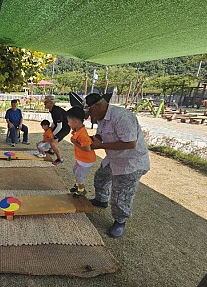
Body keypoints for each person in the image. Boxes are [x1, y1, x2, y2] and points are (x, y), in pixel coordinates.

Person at [86, 93, 150, 238]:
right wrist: (88, 139)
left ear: (99, 106)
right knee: (101, 177)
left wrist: (100, 145)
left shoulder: (122, 117)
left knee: (121, 195)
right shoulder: (102, 118)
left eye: (90, 111)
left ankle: (120, 221)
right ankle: (101, 200)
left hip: (130, 162)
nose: (89, 115)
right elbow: (101, 136)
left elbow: (130, 143)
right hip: (114, 158)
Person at [66, 106, 96, 197]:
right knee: (75, 170)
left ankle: (81, 190)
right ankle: (77, 185)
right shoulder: (77, 130)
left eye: (69, 121)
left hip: (86, 160)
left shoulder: (82, 135)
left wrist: (75, 143)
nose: (68, 123)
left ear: (75, 122)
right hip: (81, 159)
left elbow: (88, 148)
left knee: (79, 175)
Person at [43, 95, 71, 165]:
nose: (44, 104)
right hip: (61, 126)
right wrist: (50, 130)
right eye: (44, 102)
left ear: (51, 103)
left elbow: (59, 125)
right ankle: (51, 150)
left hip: (65, 128)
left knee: (53, 142)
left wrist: (52, 135)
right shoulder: (52, 109)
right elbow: (55, 122)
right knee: (49, 136)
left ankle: (60, 159)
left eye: (46, 102)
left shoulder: (56, 111)